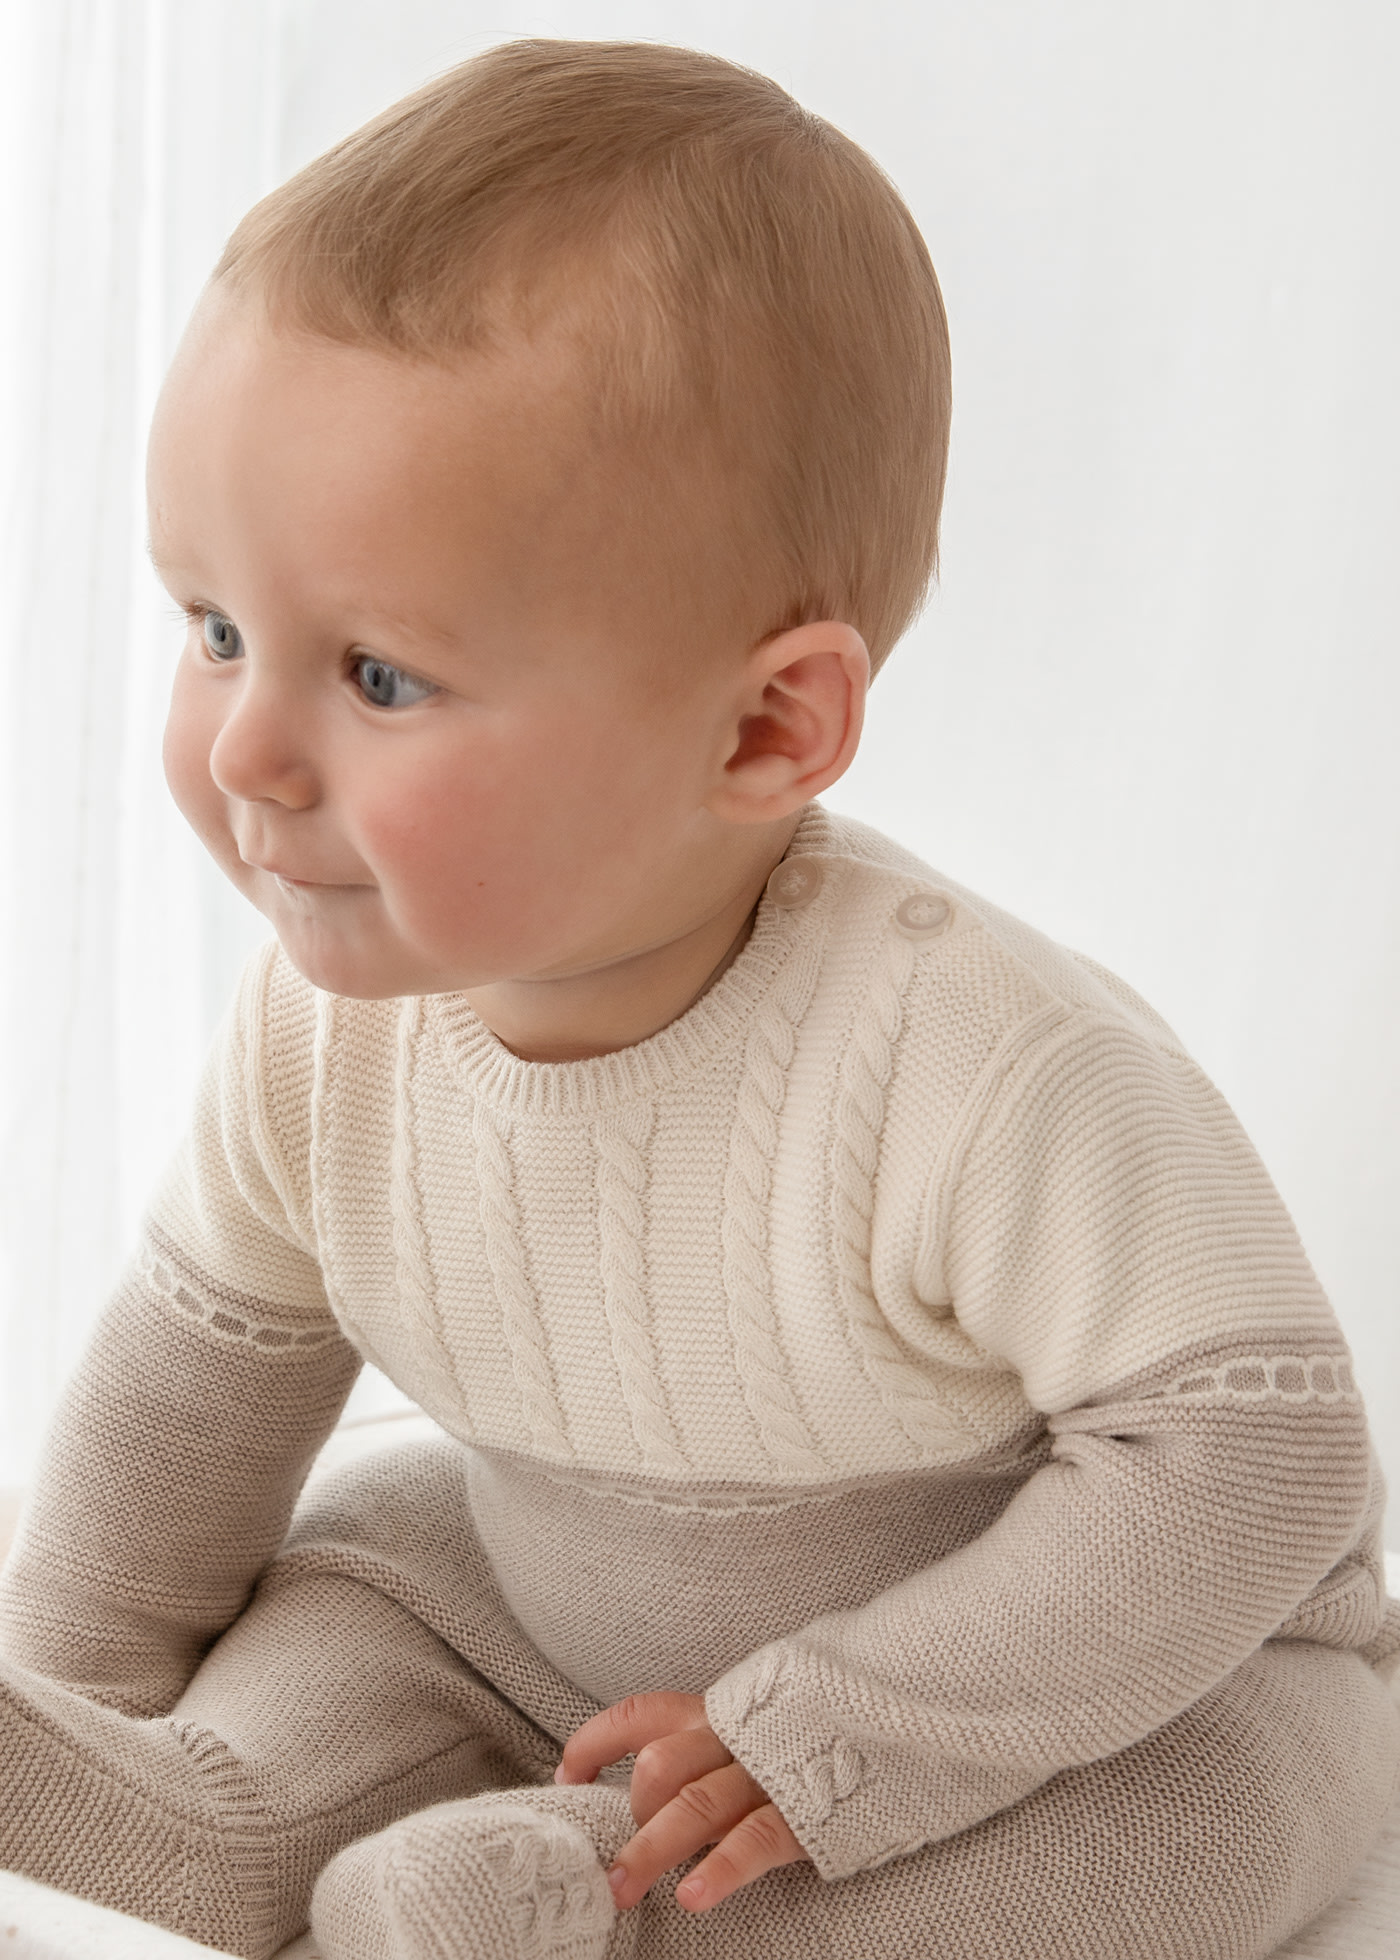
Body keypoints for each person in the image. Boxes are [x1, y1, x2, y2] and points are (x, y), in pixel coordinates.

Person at [0, 36, 1395, 1960]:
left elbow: (1257, 1468)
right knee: (350, 1594)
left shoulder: (979, 1069)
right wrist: (73, 1680)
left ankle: (629, 1918)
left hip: (1072, 1691)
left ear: (763, 725)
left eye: (379, 678)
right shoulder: (328, 1029)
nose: (248, 750)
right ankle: (213, 1816)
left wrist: (836, 1738)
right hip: (530, 1615)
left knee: (1191, 1835)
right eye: (216, 629)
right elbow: (200, 1389)